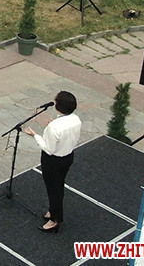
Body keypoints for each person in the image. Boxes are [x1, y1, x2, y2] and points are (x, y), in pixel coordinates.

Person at [24, 91, 82, 234]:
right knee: (58, 186)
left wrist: (35, 135)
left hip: (52, 161)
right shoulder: (76, 120)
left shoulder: (54, 127)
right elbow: (70, 137)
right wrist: (53, 125)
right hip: (67, 157)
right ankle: (52, 211)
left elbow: (48, 149)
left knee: (53, 190)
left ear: (59, 106)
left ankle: (55, 220)